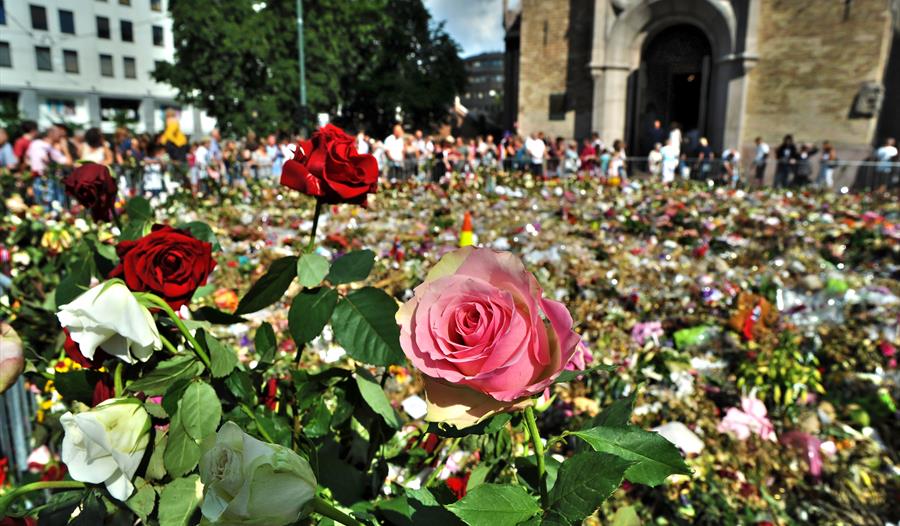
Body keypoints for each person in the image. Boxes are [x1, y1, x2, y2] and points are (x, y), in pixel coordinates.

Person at [26, 124, 72, 206]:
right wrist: (65, 148)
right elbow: (69, 163)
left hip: (38, 180)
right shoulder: (46, 147)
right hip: (46, 182)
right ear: (51, 134)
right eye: (59, 134)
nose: (61, 136)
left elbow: (27, 159)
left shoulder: (36, 144)